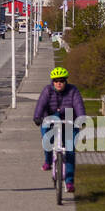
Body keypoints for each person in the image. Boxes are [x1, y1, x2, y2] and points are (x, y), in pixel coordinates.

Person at [33, 66, 86, 194]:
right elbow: (41, 104)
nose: (58, 83)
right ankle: (48, 160)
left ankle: (69, 182)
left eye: (61, 81)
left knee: (70, 151)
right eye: (56, 81)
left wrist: (81, 118)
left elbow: (78, 105)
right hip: (49, 119)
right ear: (52, 82)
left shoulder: (73, 91)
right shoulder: (47, 91)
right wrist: (37, 117)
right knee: (47, 139)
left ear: (65, 81)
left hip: (69, 121)